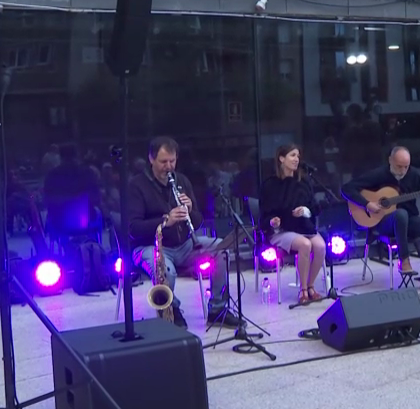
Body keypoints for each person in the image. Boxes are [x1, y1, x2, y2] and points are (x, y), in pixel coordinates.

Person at [126, 136, 236, 329]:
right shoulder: (137, 185)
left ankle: (217, 309)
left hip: (184, 245)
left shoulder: (181, 181)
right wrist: (165, 221)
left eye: (172, 161)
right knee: (166, 270)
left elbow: (198, 220)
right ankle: (171, 310)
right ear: (151, 159)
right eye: (163, 162)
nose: (168, 167)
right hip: (151, 246)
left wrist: (191, 209)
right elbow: (133, 228)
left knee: (221, 249)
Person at [341, 146, 420, 290]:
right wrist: (367, 204)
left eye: (406, 167)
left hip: (409, 219)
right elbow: (346, 189)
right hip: (382, 222)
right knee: (400, 214)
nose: (402, 171)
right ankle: (403, 259)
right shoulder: (379, 174)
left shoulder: (415, 175)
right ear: (390, 161)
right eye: (399, 167)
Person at [259, 144, 327, 305]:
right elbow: (265, 214)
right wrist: (272, 221)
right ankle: (303, 290)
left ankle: (311, 285)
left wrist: (305, 211)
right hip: (281, 230)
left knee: (321, 246)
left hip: (303, 226)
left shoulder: (303, 182)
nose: (296, 159)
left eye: (298, 156)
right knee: (305, 245)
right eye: (292, 155)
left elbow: (314, 208)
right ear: (281, 159)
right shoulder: (270, 185)